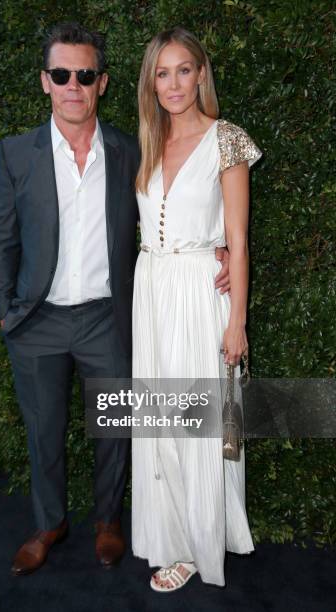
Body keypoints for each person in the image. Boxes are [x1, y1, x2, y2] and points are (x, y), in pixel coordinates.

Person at [0, 22, 231, 577]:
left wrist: (218, 250)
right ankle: (49, 524)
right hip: (37, 320)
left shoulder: (130, 150)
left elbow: (171, 206)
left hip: (107, 318)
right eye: (61, 74)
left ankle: (107, 523)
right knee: (43, 431)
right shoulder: (16, 154)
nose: (74, 84)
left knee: (115, 430)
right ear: (45, 82)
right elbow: (1, 238)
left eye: (85, 74)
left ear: (102, 83)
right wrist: (7, 310)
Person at [131, 27, 262, 591]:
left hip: (197, 294)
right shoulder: (150, 140)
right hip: (152, 289)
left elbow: (238, 238)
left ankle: (195, 546)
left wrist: (237, 321)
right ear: (151, 83)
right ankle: (169, 536)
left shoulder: (226, 139)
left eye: (184, 69)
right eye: (163, 73)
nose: (174, 83)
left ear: (202, 74)